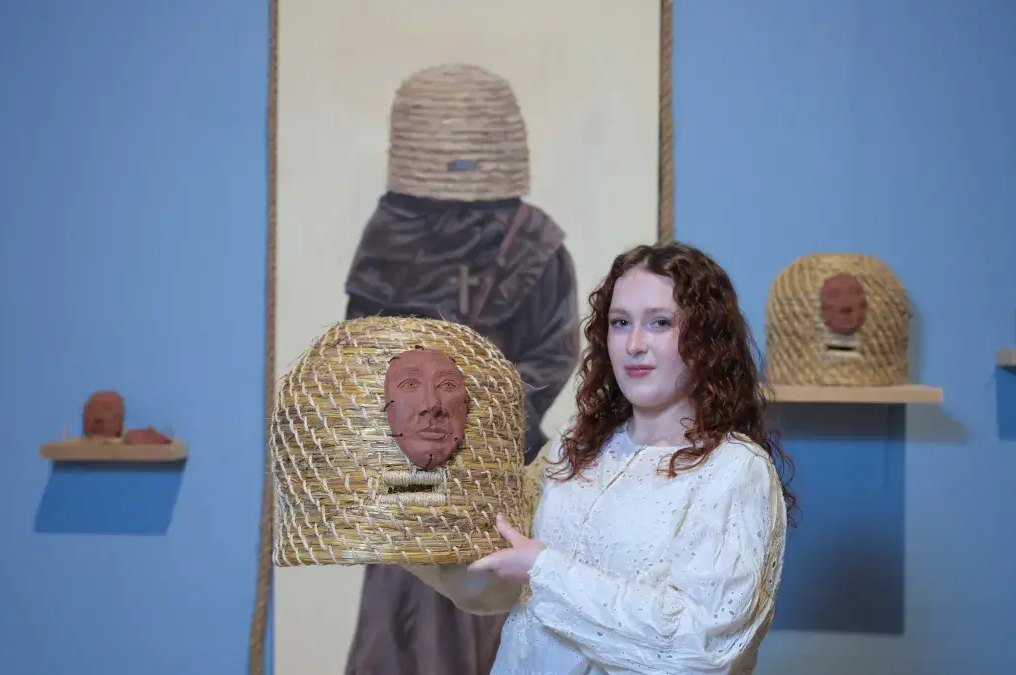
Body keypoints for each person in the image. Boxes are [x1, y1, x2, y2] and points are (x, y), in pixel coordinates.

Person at [403, 242, 799, 674]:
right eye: (620, 322)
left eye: (660, 323)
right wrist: (406, 515)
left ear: (707, 339)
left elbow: (703, 643)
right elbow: (495, 572)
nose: (634, 344)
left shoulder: (733, 470)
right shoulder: (576, 445)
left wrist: (544, 570)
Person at [341, 64, 582, 675]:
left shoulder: (536, 246)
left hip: (498, 465)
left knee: (495, 606)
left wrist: (481, 419)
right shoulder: (390, 235)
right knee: (403, 617)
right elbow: (361, 348)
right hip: (407, 471)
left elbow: (553, 352)